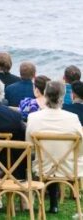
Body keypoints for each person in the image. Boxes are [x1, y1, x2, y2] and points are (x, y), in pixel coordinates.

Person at [26, 80, 83, 215]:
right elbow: (80, 147)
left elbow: (30, 146)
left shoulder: (33, 117)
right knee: (56, 156)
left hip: (43, 166)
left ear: (45, 95)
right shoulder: (73, 118)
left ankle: (52, 204)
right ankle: (56, 205)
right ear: (63, 97)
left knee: (48, 157)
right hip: (69, 167)